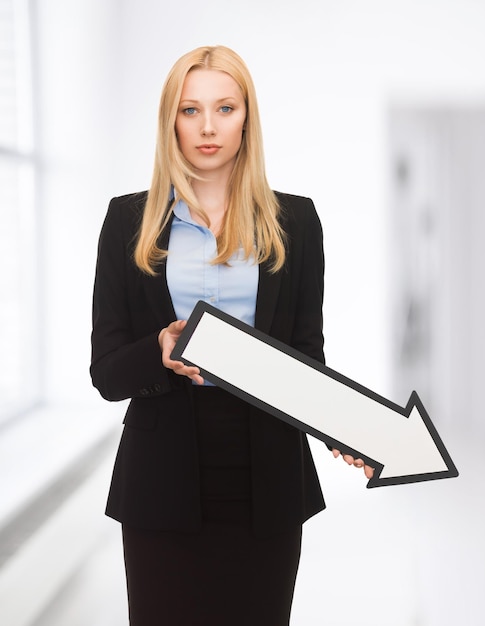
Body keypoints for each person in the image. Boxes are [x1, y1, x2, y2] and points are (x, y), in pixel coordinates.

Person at [90, 45, 373, 626]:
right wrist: (159, 351)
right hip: (161, 484)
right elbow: (106, 372)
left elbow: (306, 356)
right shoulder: (127, 220)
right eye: (191, 110)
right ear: (171, 119)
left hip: (266, 484)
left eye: (225, 107)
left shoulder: (295, 221)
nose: (209, 127)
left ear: (248, 117)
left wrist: (346, 427)